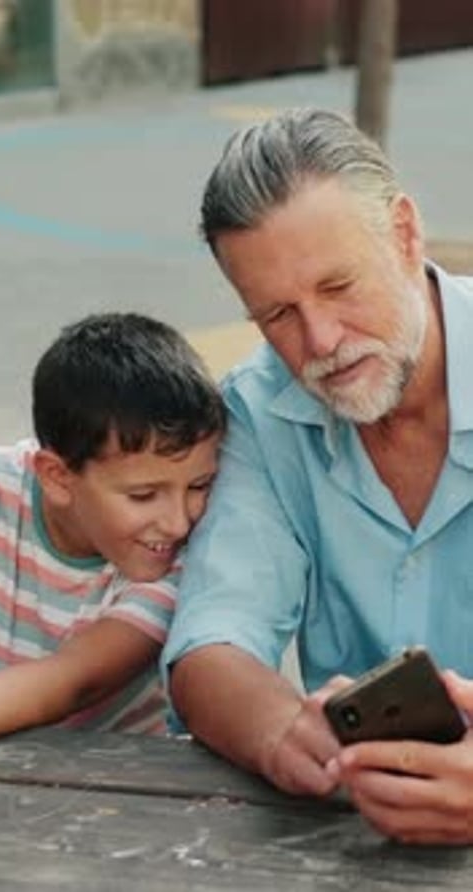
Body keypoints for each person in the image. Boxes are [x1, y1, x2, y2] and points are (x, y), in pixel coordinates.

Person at [164, 107, 473, 845]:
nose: (320, 342)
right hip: (353, 840)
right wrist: (281, 732)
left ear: (403, 234)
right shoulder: (262, 408)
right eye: (276, 314)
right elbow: (210, 644)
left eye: (338, 287)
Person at [0, 312, 225, 740]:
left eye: (199, 485)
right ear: (56, 477)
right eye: (143, 495)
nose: (177, 521)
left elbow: (73, 681)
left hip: (111, 787)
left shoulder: (184, 560)